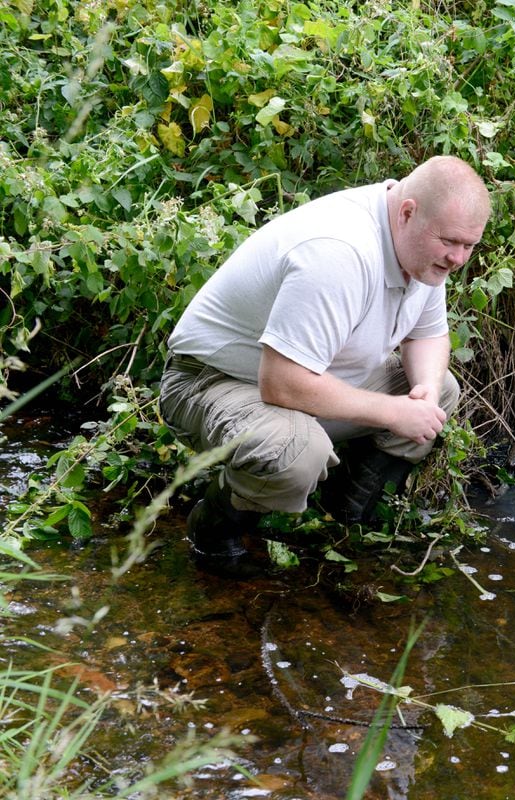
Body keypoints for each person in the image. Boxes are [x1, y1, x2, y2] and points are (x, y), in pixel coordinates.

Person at [159, 155, 491, 577]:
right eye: (451, 242)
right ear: (408, 212)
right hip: (213, 380)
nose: (459, 258)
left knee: (441, 389)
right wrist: (394, 412)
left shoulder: (420, 246)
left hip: (310, 379)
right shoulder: (339, 252)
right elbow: (282, 384)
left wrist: (423, 389)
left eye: (470, 245)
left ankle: (346, 516)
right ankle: (214, 531)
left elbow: (426, 334)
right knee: (295, 453)